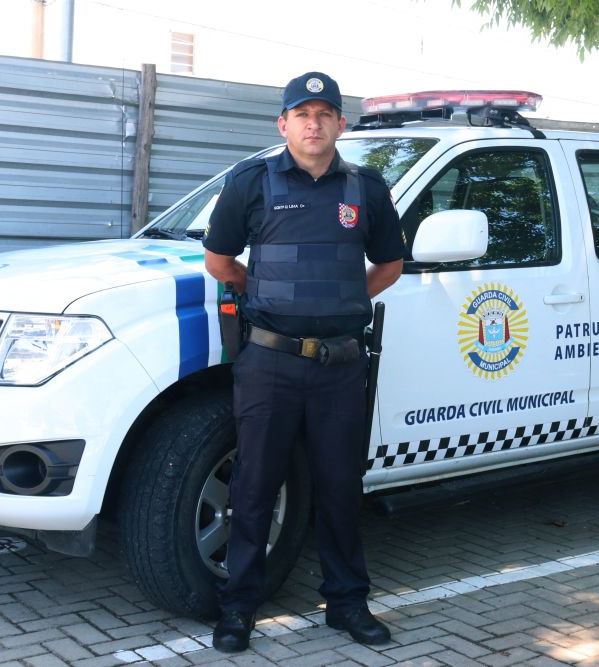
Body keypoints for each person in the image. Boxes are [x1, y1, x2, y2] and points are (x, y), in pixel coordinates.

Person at [201, 71, 404, 654]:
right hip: (271, 361)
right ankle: (238, 607)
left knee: (341, 487)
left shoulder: (366, 188)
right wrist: (267, 295)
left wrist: (347, 302)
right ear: (283, 124)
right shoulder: (251, 182)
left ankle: (347, 602)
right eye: (302, 114)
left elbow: (389, 265)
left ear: (341, 123)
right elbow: (219, 261)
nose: (313, 124)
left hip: (341, 364)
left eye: (324, 114)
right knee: (255, 485)